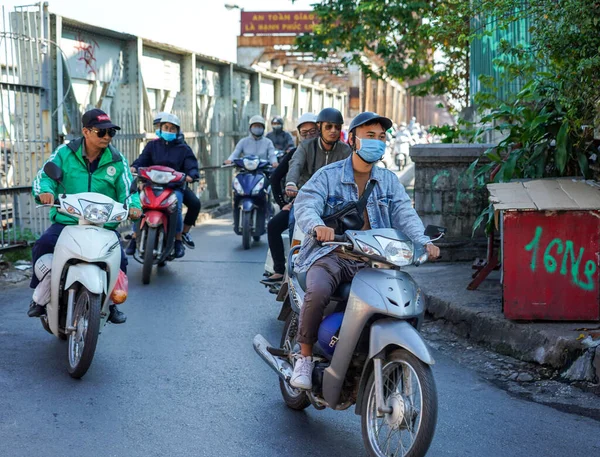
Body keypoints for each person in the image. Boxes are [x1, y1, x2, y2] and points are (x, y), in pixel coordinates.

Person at [289, 111, 441, 390]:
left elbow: (404, 213)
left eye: (381, 137)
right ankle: (305, 357)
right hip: (334, 254)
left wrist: (424, 242)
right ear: (354, 139)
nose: (377, 142)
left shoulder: (388, 180)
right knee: (319, 290)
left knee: (403, 298)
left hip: (376, 260)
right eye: (370, 136)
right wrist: (317, 226)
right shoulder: (329, 175)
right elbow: (306, 203)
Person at [28, 109, 142, 324]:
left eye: (111, 132)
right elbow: (44, 177)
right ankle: (39, 297)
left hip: (104, 226)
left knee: (121, 259)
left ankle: (111, 304)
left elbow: (129, 191)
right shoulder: (65, 153)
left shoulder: (117, 161)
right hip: (68, 222)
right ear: (86, 131)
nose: (107, 137)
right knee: (43, 245)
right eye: (101, 132)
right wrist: (45, 192)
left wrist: (134, 207)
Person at [128, 114, 200, 259]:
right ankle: (135, 236)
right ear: (160, 129)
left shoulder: (184, 149)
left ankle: (179, 239)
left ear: (177, 131)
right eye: (166, 127)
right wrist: (135, 167)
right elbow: (142, 160)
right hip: (151, 185)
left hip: (174, 187)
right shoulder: (152, 146)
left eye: (172, 128)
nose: (169, 130)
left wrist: (192, 174)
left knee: (179, 206)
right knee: (139, 205)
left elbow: (191, 166)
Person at [260, 113, 319, 286]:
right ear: (298, 135)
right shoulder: (296, 153)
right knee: (275, 225)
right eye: (304, 132)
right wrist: (283, 203)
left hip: (325, 206)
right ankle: (281, 270)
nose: (309, 136)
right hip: (299, 204)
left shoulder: (332, 153)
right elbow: (276, 177)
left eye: (313, 132)